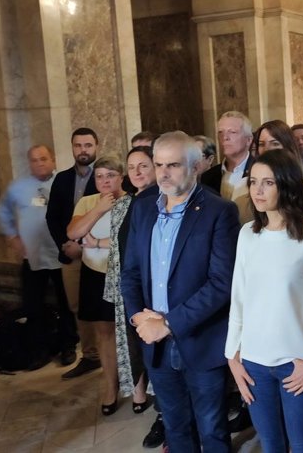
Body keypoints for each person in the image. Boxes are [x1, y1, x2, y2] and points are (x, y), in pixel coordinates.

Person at [121, 131, 240, 453]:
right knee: (174, 426)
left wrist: (169, 323)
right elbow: (130, 272)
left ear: (195, 166)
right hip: (155, 344)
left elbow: (221, 283)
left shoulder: (219, 211)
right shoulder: (143, 209)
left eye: (173, 165)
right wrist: (138, 319)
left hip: (201, 339)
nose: (163, 173)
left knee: (212, 427)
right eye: (158, 164)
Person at [225, 149, 303, 452]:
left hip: (297, 362)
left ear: (286, 185)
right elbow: (239, 298)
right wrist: (232, 356)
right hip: (254, 363)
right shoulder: (248, 234)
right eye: (254, 182)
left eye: (268, 183)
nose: (257, 191)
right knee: (271, 444)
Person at [0, 144, 78, 369]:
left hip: (61, 254)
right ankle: (38, 351)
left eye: (43, 158)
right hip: (32, 256)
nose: (39, 163)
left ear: (52, 160)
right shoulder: (18, 187)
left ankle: (68, 345)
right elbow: (1, 211)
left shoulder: (63, 183)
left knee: (67, 303)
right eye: (34, 160)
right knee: (33, 306)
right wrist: (12, 237)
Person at [101, 146, 164, 439]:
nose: (138, 172)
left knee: (157, 353)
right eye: (132, 167)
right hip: (131, 287)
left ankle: (166, 416)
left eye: (144, 165)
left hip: (152, 290)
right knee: (139, 349)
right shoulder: (129, 202)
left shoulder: (159, 200)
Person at [67, 155, 127, 415]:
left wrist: (99, 243)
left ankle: (137, 385)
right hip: (94, 273)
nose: (105, 181)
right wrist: (99, 209)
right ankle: (109, 385)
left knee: (129, 334)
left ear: (121, 177)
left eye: (110, 175)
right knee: (105, 333)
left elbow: (129, 243)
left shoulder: (131, 201)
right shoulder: (88, 201)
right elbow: (73, 233)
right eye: (100, 176)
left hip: (123, 273)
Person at [46, 127, 101, 379]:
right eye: (78, 146)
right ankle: (90, 355)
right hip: (70, 253)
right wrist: (64, 244)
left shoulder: (104, 176)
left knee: (102, 306)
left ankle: (108, 351)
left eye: (88, 145)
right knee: (77, 306)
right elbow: (53, 217)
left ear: (96, 147)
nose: (83, 150)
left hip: (99, 252)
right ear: (72, 148)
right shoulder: (62, 179)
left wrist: (83, 242)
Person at [201, 111, 254, 200]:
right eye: (220, 132)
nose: (225, 137)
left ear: (248, 140)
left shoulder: (262, 171)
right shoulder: (208, 177)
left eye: (232, 132)